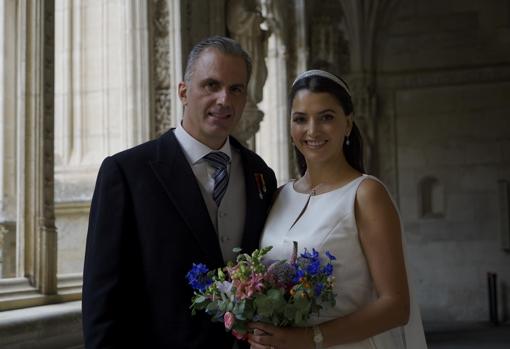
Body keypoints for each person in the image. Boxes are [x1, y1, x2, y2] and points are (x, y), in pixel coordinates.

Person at [82, 36, 277, 349]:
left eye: (236, 88)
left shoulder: (260, 175)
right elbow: (101, 297)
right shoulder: (127, 173)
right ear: (184, 92)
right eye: (211, 85)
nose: (224, 99)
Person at [247, 70, 427, 349]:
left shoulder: (366, 194)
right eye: (300, 119)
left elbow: (396, 306)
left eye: (326, 117)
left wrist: (309, 339)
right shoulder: (280, 195)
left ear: (348, 124)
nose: (313, 130)